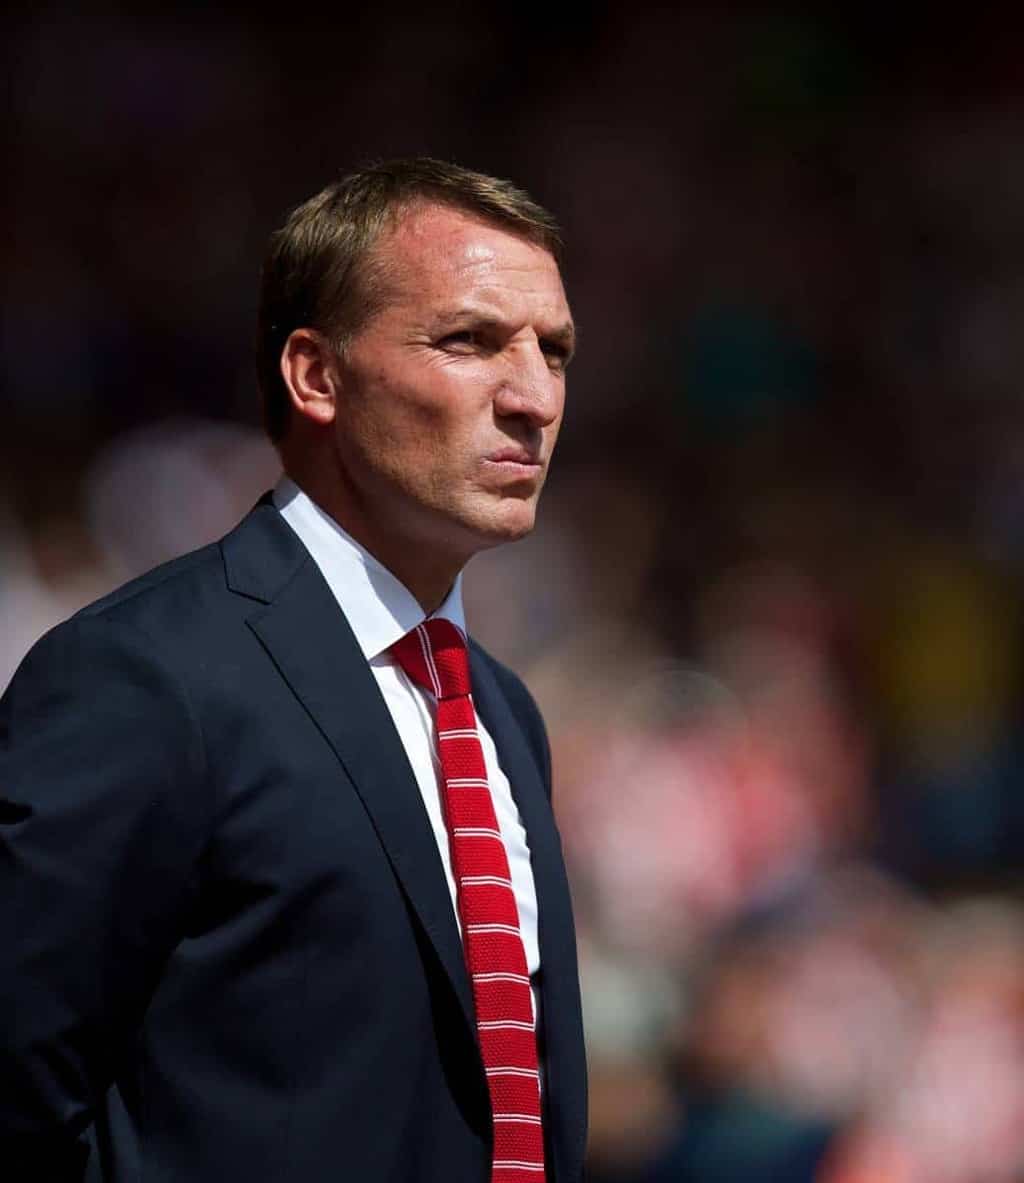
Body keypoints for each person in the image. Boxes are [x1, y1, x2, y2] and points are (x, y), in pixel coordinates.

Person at [0, 158, 587, 1182]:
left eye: (554, 350)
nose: (533, 396)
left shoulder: (501, 711)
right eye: (470, 340)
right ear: (316, 375)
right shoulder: (144, 674)